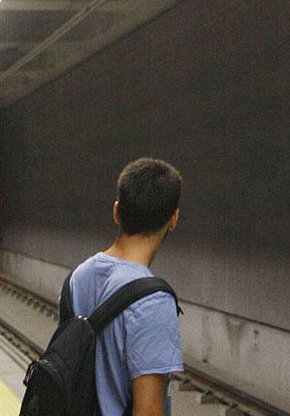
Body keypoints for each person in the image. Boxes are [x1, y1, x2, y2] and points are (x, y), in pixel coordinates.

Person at [68, 157, 184, 416]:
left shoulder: (79, 276)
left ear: (117, 211)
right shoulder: (153, 301)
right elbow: (148, 410)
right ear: (173, 219)